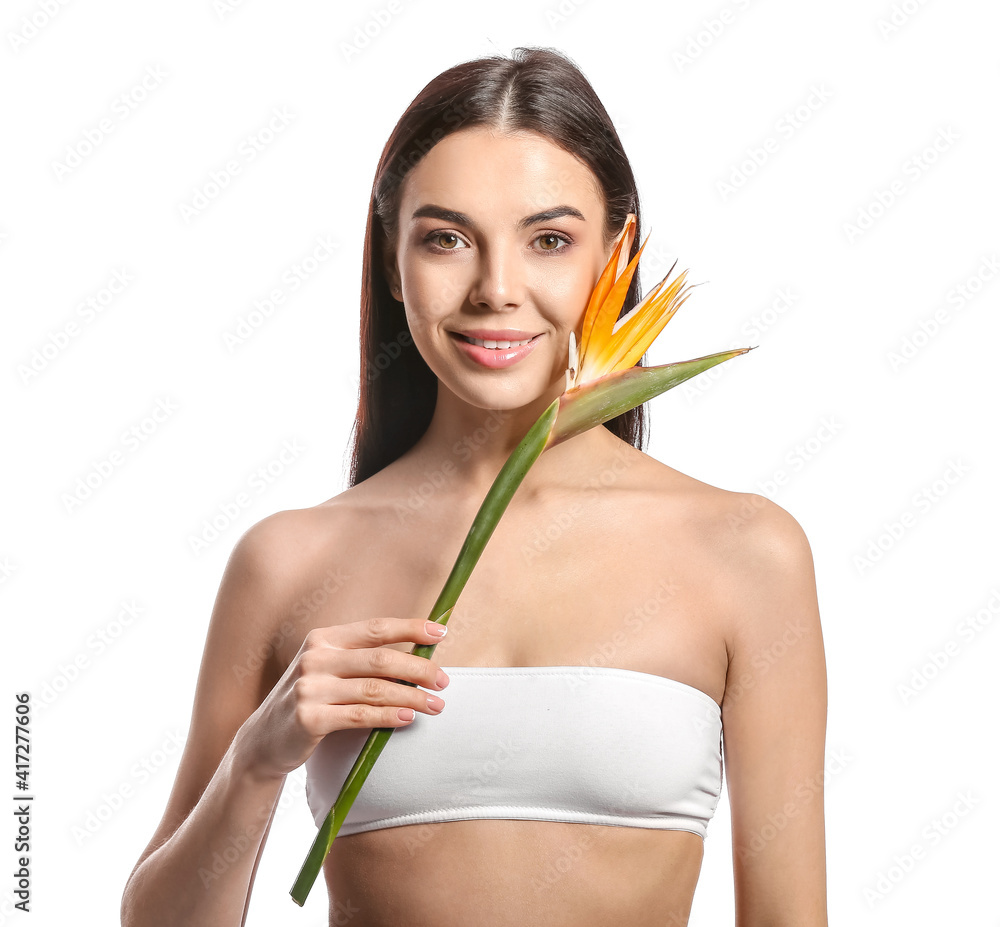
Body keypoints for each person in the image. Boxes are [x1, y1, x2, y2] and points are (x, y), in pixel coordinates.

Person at [121, 46, 828, 927]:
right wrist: (257, 759)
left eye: (550, 240)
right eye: (446, 239)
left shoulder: (745, 551)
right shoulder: (287, 560)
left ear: (614, 259)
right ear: (392, 263)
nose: (496, 289)